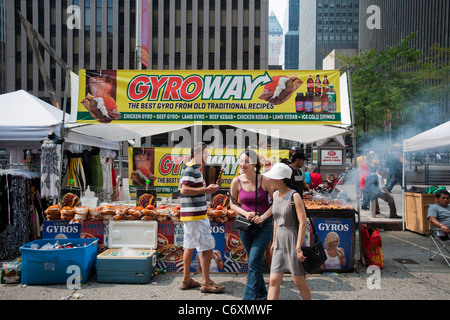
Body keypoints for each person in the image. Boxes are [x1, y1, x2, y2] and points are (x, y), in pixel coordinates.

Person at [178, 142, 224, 293]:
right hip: (195, 215)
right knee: (207, 246)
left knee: (189, 245)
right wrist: (207, 189)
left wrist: (207, 189)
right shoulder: (191, 167)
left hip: (191, 215)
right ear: (198, 152)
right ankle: (206, 282)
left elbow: (190, 189)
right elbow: (184, 190)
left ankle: (186, 280)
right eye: (206, 153)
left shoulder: (191, 167)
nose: (207, 156)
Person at [263, 162, 311, 300]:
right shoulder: (276, 195)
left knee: (299, 281)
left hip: (292, 239)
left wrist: (298, 248)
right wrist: (273, 242)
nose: (269, 181)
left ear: (280, 179)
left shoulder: (294, 196)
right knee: (273, 281)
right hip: (279, 241)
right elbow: (276, 221)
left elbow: (303, 223)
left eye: (272, 178)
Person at [229, 149, 274, 300]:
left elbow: (277, 202)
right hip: (245, 225)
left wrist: (264, 216)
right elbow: (232, 204)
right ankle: (261, 295)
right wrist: (245, 213)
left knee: (254, 260)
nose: (243, 164)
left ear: (254, 163)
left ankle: (248, 299)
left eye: (246, 161)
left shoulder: (265, 180)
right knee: (253, 262)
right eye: (241, 161)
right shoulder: (236, 181)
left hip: (264, 225)